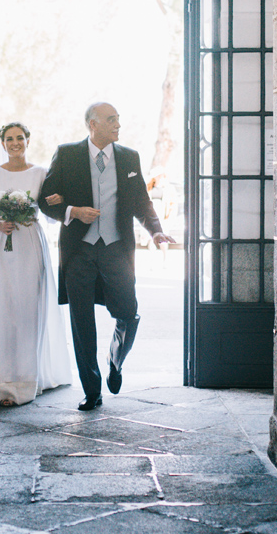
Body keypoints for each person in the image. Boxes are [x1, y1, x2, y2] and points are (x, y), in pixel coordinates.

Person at [39, 102, 175, 411]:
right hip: (78, 253)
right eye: (111, 120)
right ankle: (92, 390)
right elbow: (45, 201)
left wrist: (155, 230)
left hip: (116, 249)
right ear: (93, 125)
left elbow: (141, 200)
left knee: (128, 312)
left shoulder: (129, 157)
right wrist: (73, 211)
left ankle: (115, 360)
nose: (118, 124)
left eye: (118, 119)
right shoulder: (67, 154)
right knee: (81, 322)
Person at [0, 122, 72, 406]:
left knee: (28, 309)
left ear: (28, 141)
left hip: (29, 244)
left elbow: (51, 215)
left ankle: (27, 379)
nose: (15, 143)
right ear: (2, 143)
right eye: (9, 139)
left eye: (20, 138)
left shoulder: (41, 174)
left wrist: (57, 201)